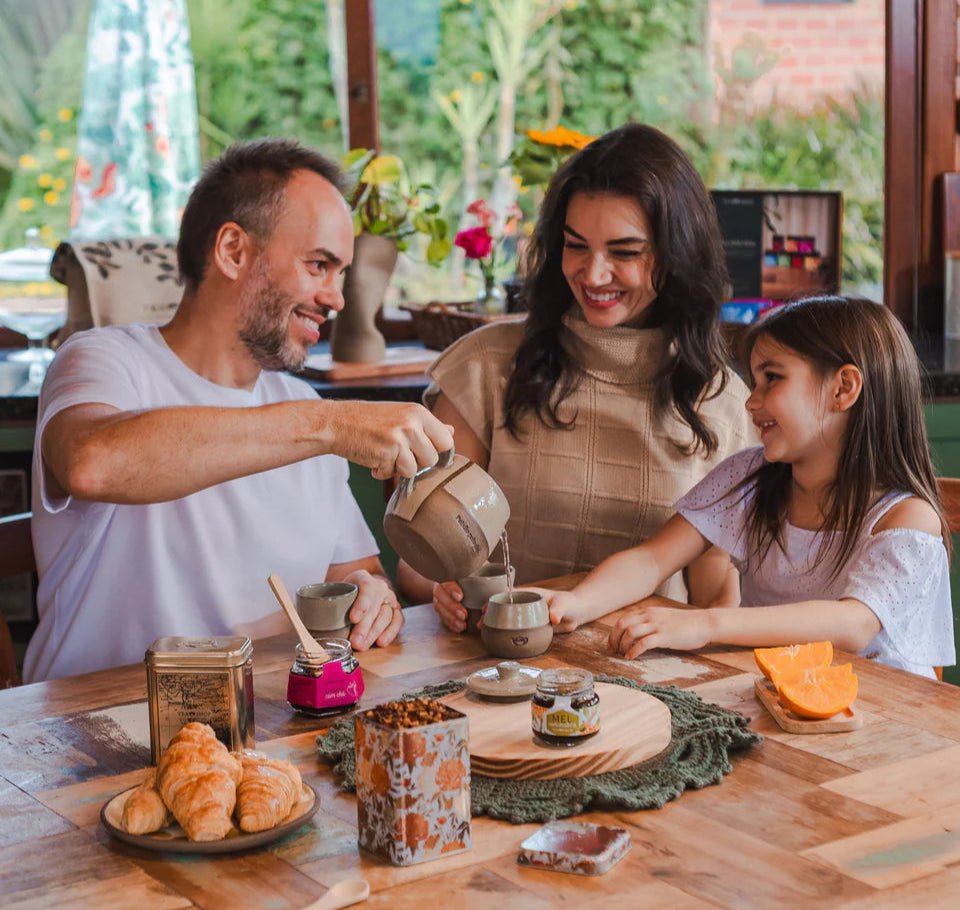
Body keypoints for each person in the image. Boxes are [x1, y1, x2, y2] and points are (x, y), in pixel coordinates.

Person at [24, 138, 454, 683]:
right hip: (95, 736)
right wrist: (329, 425)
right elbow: (93, 463)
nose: (337, 298)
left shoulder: (305, 411)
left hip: (265, 732)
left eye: (340, 273)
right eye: (319, 265)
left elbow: (358, 573)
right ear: (231, 250)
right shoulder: (104, 361)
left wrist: (373, 597)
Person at [399, 123, 754, 630]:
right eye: (576, 246)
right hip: (498, 670)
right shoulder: (485, 366)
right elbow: (417, 566)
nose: (593, 274)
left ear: (677, 255)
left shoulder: (722, 403)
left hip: (649, 678)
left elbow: (713, 594)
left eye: (625, 252)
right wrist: (444, 589)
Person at [545, 296, 955, 680]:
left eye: (772, 379)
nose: (750, 402)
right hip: (783, 698)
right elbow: (652, 560)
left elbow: (854, 624)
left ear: (843, 388)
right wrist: (578, 603)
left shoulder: (906, 517)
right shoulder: (747, 479)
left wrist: (706, 623)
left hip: (889, 722)